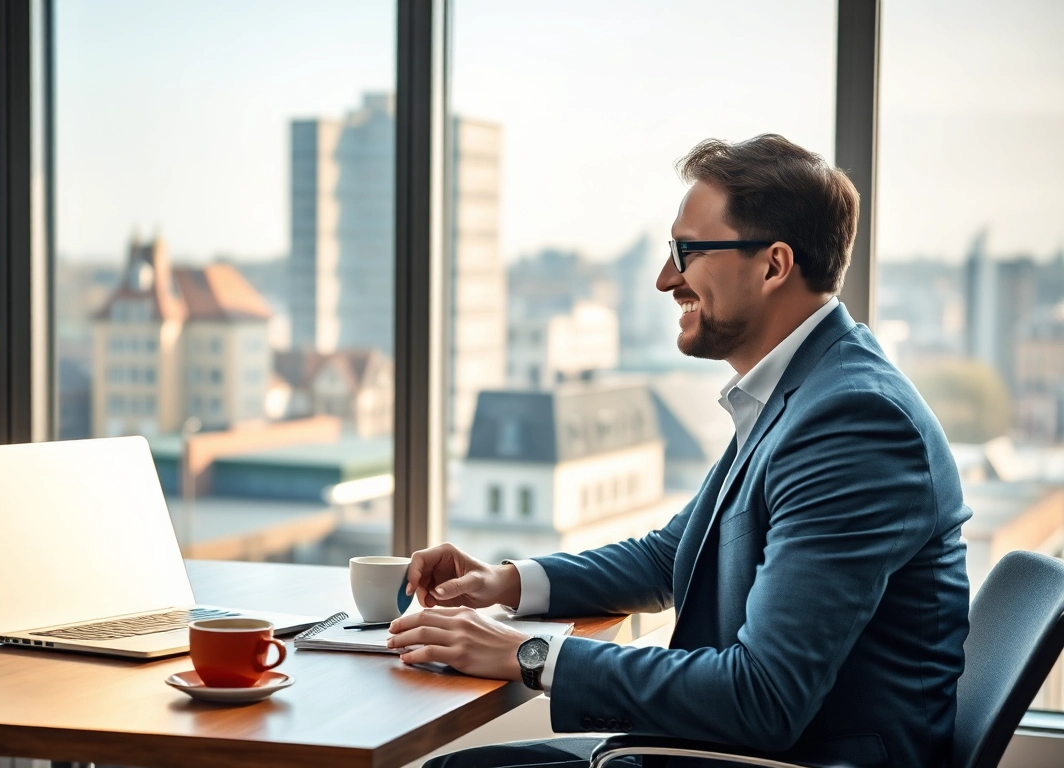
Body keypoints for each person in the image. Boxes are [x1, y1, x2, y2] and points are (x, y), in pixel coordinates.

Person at [389, 134, 970, 768]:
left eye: (687, 252)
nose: (668, 278)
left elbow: (764, 696)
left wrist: (529, 656)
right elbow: (676, 555)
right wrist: (503, 583)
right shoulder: (802, 389)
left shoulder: (853, 420)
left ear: (774, 265)